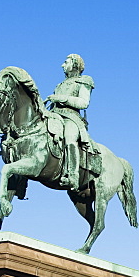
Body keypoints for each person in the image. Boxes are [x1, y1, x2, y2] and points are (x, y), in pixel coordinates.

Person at [46, 54, 95, 188]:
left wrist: (61, 98)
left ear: (74, 64)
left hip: (71, 118)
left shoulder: (85, 80)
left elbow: (84, 103)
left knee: (69, 137)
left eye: (66, 62)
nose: (62, 65)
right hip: (54, 116)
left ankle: (73, 176)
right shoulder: (60, 84)